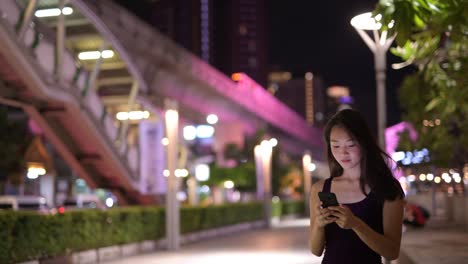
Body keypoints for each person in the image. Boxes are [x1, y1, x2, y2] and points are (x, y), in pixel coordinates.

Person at [309, 109, 405, 263]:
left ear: (364, 143)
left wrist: (356, 224)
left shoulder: (388, 189)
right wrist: (319, 226)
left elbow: (392, 252)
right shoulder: (320, 189)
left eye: (350, 145)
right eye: (336, 146)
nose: (343, 153)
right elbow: (315, 250)